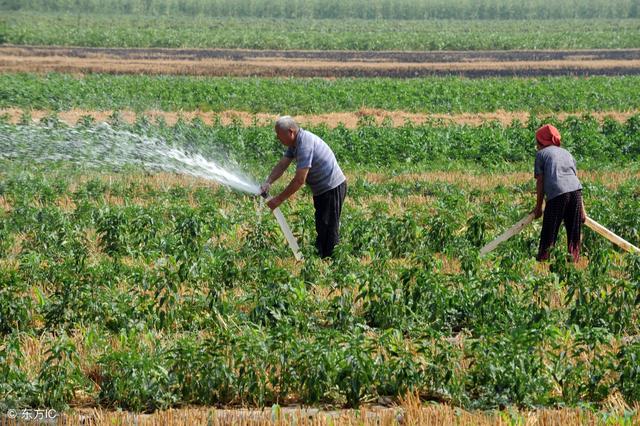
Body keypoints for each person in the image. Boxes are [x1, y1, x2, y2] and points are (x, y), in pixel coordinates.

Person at [261, 116, 347, 258]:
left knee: (328, 228)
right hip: (322, 190)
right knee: (322, 226)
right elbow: (283, 164)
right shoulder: (294, 144)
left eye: (279, 134)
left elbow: (299, 180)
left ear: (291, 132)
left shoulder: (304, 144)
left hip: (332, 188)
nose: (277, 138)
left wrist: (278, 200)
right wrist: (268, 181)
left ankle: (332, 263)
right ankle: (322, 259)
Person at [532, 124, 586, 262]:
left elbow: (540, 183)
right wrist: (582, 210)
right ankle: (573, 261)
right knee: (574, 233)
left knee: (549, 232)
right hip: (575, 193)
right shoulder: (567, 153)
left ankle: (544, 260)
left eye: (537, 141)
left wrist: (539, 208)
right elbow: (575, 180)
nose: (537, 145)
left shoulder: (541, 155)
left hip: (557, 194)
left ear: (541, 141)